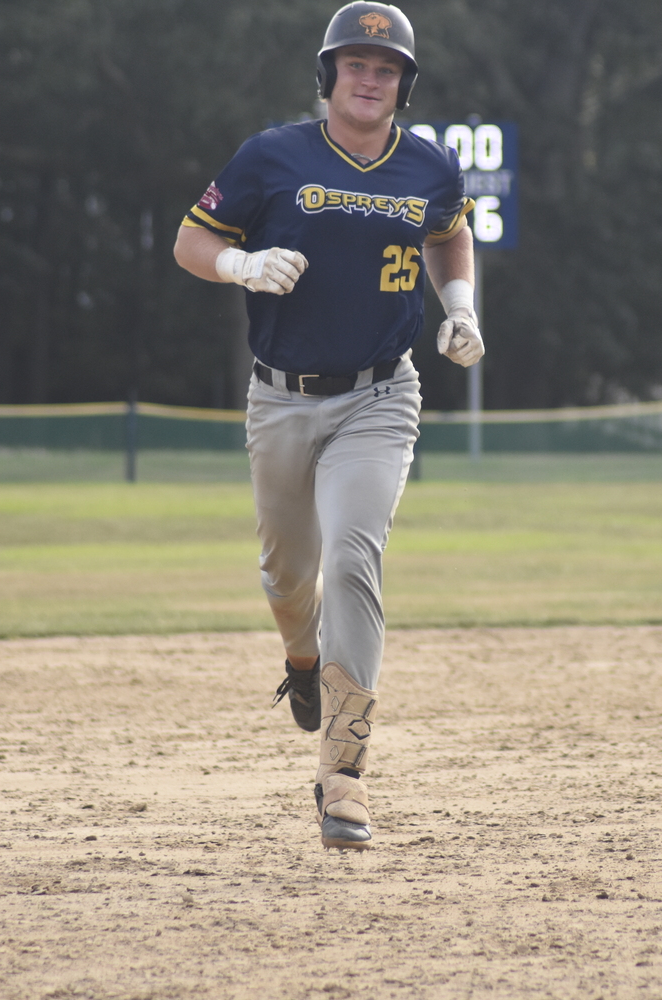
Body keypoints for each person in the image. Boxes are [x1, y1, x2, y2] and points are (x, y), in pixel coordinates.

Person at [173, 1, 483, 850]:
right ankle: (302, 661)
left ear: (403, 85)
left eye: (386, 69)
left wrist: (457, 307)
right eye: (357, 65)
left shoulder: (429, 166)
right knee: (285, 576)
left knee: (353, 555)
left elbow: (450, 234)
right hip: (281, 397)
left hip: (382, 395)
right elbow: (188, 244)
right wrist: (240, 261)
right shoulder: (271, 156)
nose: (371, 79)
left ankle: (343, 774)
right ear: (330, 75)